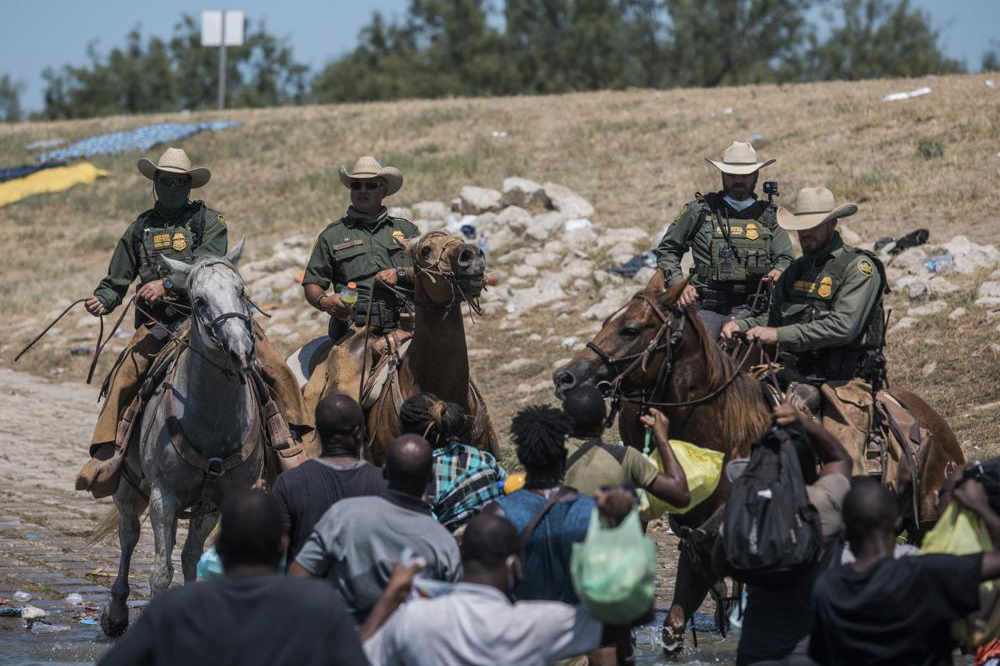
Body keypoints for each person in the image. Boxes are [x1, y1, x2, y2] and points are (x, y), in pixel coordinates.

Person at [77, 148, 309, 498]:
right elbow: (116, 280)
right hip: (162, 324)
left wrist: (168, 284)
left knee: (272, 364)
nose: (171, 186)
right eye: (165, 180)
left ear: (189, 185)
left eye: (178, 181)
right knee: (125, 373)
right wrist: (102, 300)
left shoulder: (208, 222)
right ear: (155, 183)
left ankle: (288, 438)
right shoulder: (139, 228)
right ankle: (109, 452)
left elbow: (210, 265)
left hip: (213, 316)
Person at [360, 490, 637, 666]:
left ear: (461, 557)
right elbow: (632, 612)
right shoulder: (536, 623)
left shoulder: (414, 618)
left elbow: (355, 658)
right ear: (514, 564)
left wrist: (390, 598)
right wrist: (619, 530)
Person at [99, 489, 367, 666]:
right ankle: (116, 449)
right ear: (283, 545)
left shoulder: (173, 607)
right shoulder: (321, 604)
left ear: (219, 544)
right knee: (123, 402)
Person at [721, 186, 887, 466]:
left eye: (814, 226)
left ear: (833, 224)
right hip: (798, 372)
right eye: (801, 227)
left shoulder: (859, 269)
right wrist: (743, 324)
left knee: (844, 462)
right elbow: (775, 321)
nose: (805, 233)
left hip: (846, 379)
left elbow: (843, 327)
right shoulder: (795, 271)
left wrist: (778, 335)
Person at [809, 476, 1000, 666]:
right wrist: (980, 507)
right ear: (898, 524)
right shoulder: (927, 574)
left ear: (845, 532)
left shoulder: (826, 590)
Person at [288, 434, 461, 622]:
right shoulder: (445, 544)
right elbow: (454, 613)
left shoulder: (344, 515)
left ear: (384, 472)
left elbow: (296, 580)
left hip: (346, 642)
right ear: (430, 479)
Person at [730, 403, 852, 666]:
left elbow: (721, 562)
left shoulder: (746, 513)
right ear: (810, 468)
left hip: (757, 651)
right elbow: (840, 459)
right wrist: (802, 421)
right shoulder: (823, 503)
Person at [655, 141, 794, 339]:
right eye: (732, 176)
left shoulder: (770, 215)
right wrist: (679, 286)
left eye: (745, 176)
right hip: (707, 307)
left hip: (755, 308)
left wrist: (779, 271)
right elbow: (668, 250)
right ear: (722, 176)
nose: (738, 181)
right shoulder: (699, 210)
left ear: (756, 176)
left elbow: (786, 258)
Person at [485, 405, 595, 604]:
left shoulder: (497, 514)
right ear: (563, 459)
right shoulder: (592, 512)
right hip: (577, 629)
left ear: (520, 458)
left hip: (522, 629)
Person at [302, 156, 420, 342]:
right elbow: (312, 283)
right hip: (354, 330)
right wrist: (325, 301)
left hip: (407, 324)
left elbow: (427, 272)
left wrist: (400, 273)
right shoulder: (332, 236)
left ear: (384, 190)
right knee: (347, 371)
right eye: (356, 186)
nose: (362, 191)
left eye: (370, 185)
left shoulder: (406, 230)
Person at [272, 393, 386, 559]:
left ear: (317, 432)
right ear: (359, 432)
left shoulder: (287, 483)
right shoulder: (384, 482)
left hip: (304, 583)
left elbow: (276, 549)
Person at [561, 385, 691, 509]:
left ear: (564, 422)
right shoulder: (626, 458)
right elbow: (681, 495)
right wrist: (662, 439)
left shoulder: (550, 453)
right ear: (603, 423)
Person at [399, 392, 507, 531]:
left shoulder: (425, 483)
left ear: (412, 438)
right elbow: (508, 489)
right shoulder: (483, 458)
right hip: (504, 534)